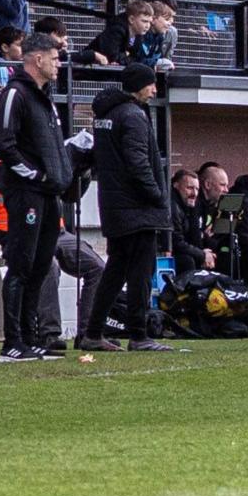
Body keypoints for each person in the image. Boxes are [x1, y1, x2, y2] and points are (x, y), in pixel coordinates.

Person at [0, 31, 86, 360]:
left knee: (41, 265)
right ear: (38, 59)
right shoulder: (15, 94)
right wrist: (39, 175)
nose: (59, 63)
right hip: (27, 193)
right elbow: (5, 147)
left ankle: (30, 339)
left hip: (48, 194)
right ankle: (12, 342)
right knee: (21, 263)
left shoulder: (45, 98)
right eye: (55, 57)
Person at [79, 63, 174, 353]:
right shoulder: (133, 115)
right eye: (150, 84)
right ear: (138, 85)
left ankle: (93, 332)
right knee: (140, 273)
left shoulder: (106, 115)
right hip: (138, 208)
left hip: (115, 206)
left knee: (115, 271)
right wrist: (157, 195)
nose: (155, 89)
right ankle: (139, 334)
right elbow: (138, 162)